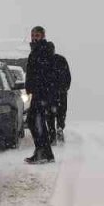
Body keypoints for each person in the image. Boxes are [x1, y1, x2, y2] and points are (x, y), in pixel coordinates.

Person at [24, 26, 59, 164]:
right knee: (37, 122)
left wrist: (46, 94)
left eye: (37, 35)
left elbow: (47, 74)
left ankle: (41, 152)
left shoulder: (44, 51)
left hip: (42, 94)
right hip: (37, 93)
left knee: (35, 122)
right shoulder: (35, 51)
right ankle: (47, 154)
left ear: (43, 36)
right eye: (32, 35)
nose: (34, 37)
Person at [51, 44, 71, 144]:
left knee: (50, 114)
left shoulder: (44, 60)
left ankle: (52, 133)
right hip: (61, 92)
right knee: (61, 112)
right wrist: (65, 88)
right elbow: (68, 76)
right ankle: (59, 127)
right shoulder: (61, 59)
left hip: (49, 93)